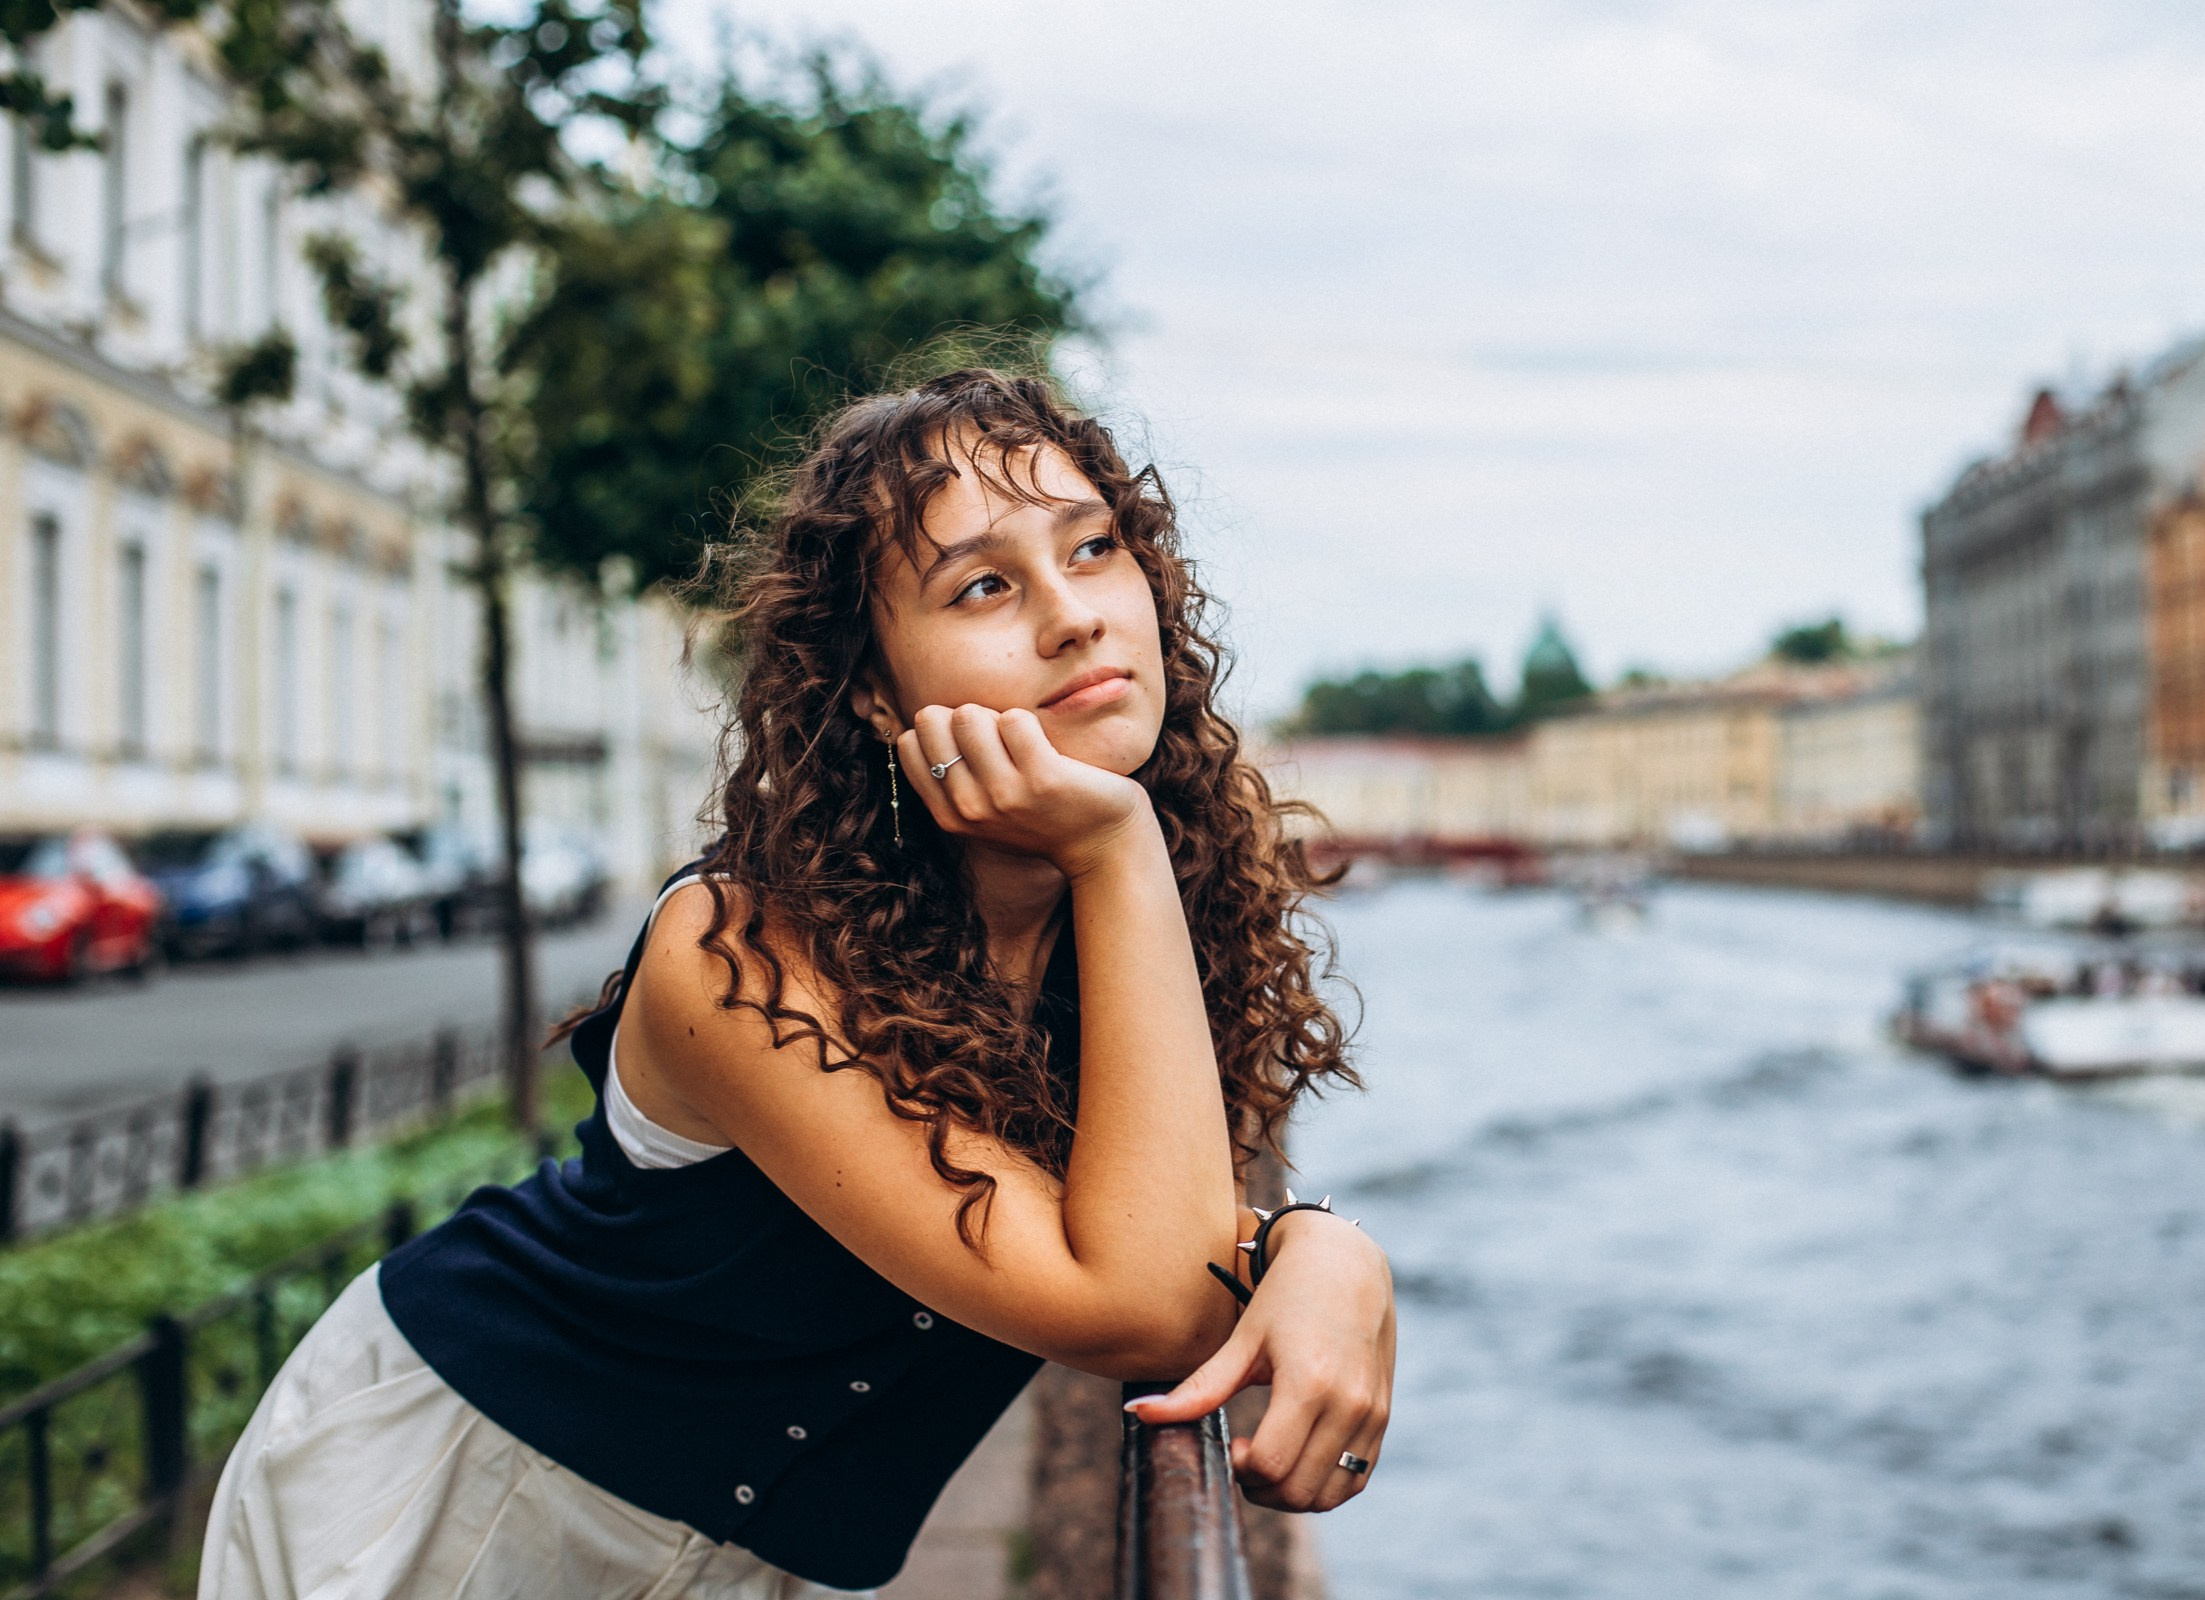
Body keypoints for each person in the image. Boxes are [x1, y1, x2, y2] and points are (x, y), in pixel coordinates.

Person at [198, 369, 1397, 1599]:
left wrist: (1317, 1242)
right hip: (461, 1495)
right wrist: (1116, 841)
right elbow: (1140, 1305)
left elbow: (1149, 1248)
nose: (1074, 615)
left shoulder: (1122, 950)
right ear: (878, 694)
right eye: (985, 583)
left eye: (1095, 549)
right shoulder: (736, 953)